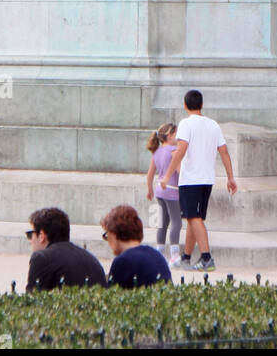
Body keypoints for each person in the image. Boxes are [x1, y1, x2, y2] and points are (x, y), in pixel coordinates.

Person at [159, 89, 237, 272]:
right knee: (194, 218)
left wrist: (168, 175)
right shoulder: (213, 124)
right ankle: (186, 256)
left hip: (191, 179)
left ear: (185, 105)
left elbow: (181, 150)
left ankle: (206, 257)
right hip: (207, 179)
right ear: (201, 105)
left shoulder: (186, 124)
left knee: (194, 218)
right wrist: (230, 177)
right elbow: (224, 151)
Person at [25, 207, 106, 292]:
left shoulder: (41, 258)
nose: (30, 240)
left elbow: (32, 300)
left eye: (30, 234)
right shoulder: (91, 259)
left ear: (41, 235)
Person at [101, 205, 172, 288]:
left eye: (106, 235)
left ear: (113, 233)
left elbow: (113, 295)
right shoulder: (156, 254)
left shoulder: (122, 261)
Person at [146, 122, 181, 267]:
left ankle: (159, 253)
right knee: (176, 222)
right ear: (170, 135)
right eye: (176, 134)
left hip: (160, 190)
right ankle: (174, 255)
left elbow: (149, 175)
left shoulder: (157, 152)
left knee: (162, 223)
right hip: (172, 189)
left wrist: (150, 190)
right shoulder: (174, 151)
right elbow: (180, 171)